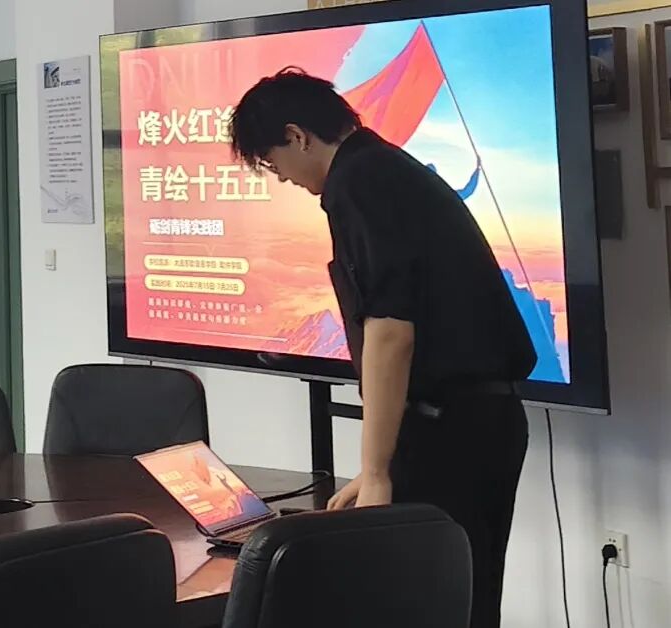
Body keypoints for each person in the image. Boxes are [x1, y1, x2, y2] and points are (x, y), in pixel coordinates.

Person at [229, 68, 536, 628]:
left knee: (430, 603)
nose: (283, 178)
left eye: (273, 163)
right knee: (461, 597)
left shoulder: (360, 180)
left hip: (454, 429)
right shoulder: (383, 168)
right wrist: (383, 464)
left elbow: (391, 331)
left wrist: (375, 471)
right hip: (463, 424)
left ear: (297, 136)